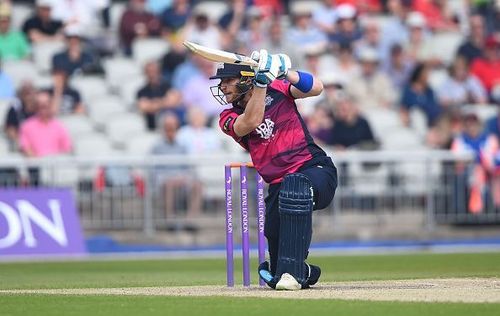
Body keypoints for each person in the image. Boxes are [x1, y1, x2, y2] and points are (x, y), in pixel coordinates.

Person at [212, 50, 337, 290]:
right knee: (279, 266)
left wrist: (284, 72)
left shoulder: (278, 88)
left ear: (246, 79)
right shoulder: (227, 116)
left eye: (228, 80)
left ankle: (294, 273)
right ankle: (302, 271)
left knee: (296, 188)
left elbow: (317, 88)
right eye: (221, 82)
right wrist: (261, 83)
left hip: (315, 169)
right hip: (279, 185)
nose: (223, 86)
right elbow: (251, 121)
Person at [151, 113, 203, 219]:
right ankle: (169, 217)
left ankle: (191, 218)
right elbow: (153, 170)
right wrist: (170, 178)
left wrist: (183, 177)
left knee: (198, 185)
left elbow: (188, 167)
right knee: (169, 185)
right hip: (165, 181)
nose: (170, 132)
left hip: (181, 179)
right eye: (168, 128)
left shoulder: (182, 147)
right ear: (163, 129)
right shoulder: (157, 147)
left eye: (173, 128)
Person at [136, 60, 183, 130]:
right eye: (149, 72)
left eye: (154, 71)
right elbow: (143, 107)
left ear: (159, 72)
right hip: (152, 126)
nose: (152, 74)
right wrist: (164, 101)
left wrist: (153, 104)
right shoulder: (142, 91)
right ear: (145, 73)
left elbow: (174, 101)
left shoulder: (167, 86)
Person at [4, 81, 37, 149]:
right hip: (22, 144)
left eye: (30, 92)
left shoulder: (41, 108)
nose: (28, 96)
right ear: (21, 94)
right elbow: (10, 129)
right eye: (25, 93)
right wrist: (22, 142)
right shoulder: (15, 109)